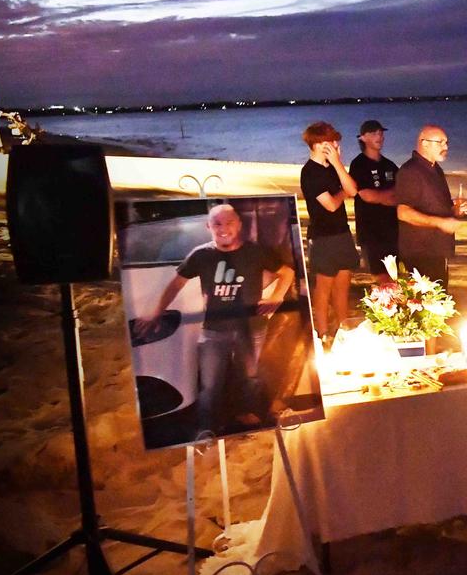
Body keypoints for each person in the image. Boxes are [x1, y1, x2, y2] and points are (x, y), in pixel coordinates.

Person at [133, 203, 295, 435]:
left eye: (229, 222)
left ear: (239, 225)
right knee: (210, 386)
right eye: (217, 223)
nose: (224, 228)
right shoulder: (201, 255)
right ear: (209, 226)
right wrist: (156, 312)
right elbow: (176, 285)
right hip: (213, 330)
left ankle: (246, 416)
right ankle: (206, 428)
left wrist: (277, 297)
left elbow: (287, 272)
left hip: (251, 328)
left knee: (248, 377)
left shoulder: (255, 251)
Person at [300, 121, 359, 342]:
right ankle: (323, 332)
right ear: (317, 144)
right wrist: (343, 192)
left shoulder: (332, 167)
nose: (335, 145)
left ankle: (343, 328)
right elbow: (331, 204)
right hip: (323, 237)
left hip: (342, 233)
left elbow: (352, 189)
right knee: (323, 286)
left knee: (343, 283)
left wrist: (338, 163)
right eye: (331, 141)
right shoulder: (310, 172)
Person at [395, 124, 467, 289]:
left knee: (439, 302)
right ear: (424, 143)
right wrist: (440, 223)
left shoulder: (435, 169)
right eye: (440, 142)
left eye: (446, 142)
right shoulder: (410, 172)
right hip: (420, 253)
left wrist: (455, 210)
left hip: (436, 250)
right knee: (425, 307)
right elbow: (403, 212)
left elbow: (439, 208)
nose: (446, 146)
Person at [350, 120, 400, 284]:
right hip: (371, 232)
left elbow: (402, 191)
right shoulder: (359, 164)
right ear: (362, 138)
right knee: (382, 278)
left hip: (393, 230)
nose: (379, 136)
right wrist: (386, 197)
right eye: (373, 133)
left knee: (395, 275)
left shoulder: (389, 165)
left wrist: (385, 197)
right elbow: (367, 195)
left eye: (381, 133)